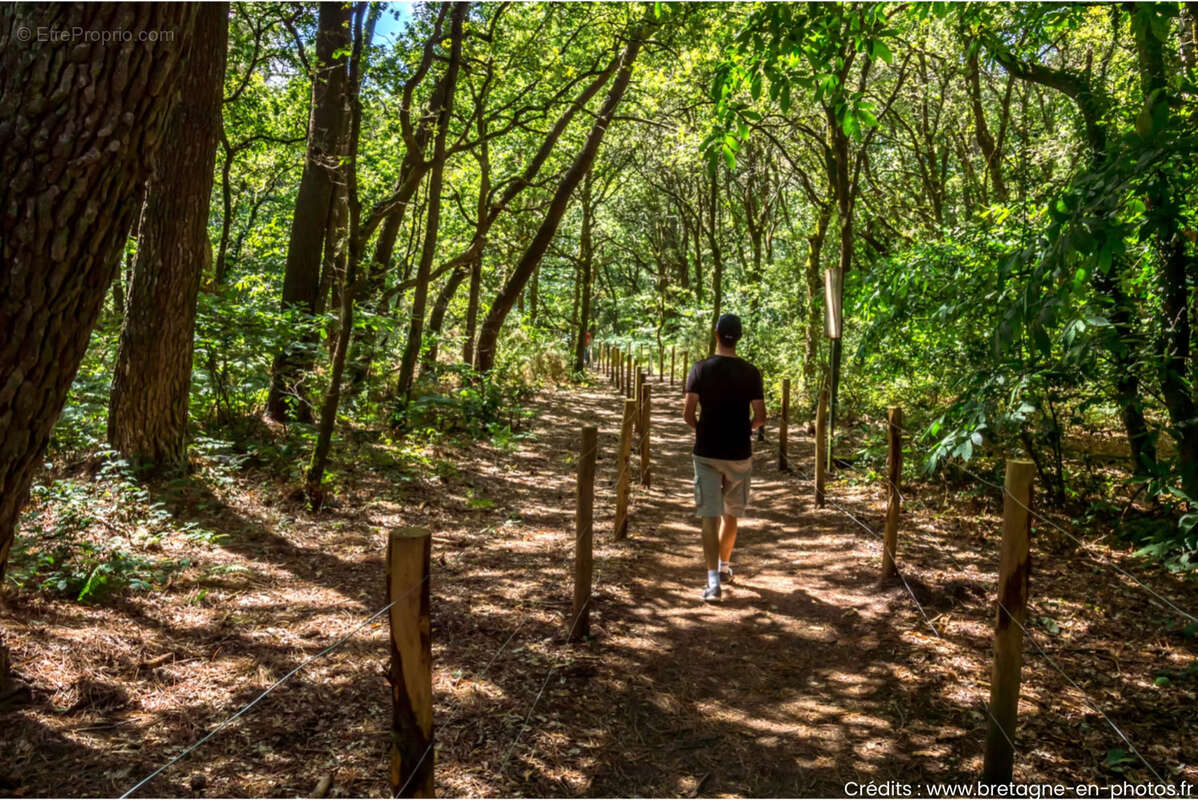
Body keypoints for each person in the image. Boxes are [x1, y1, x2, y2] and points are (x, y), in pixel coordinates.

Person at [683, 313, 766, 602]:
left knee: (709, 514)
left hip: (706, 452)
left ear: (716, 335)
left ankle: (712, 582)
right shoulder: (751, 372)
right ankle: (724, 566)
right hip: (739, 453)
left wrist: (702, 429)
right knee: (732, 514)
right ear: (739, 337)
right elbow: (761, 417)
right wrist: (745, 428)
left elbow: (687, 413)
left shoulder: (700, 369)